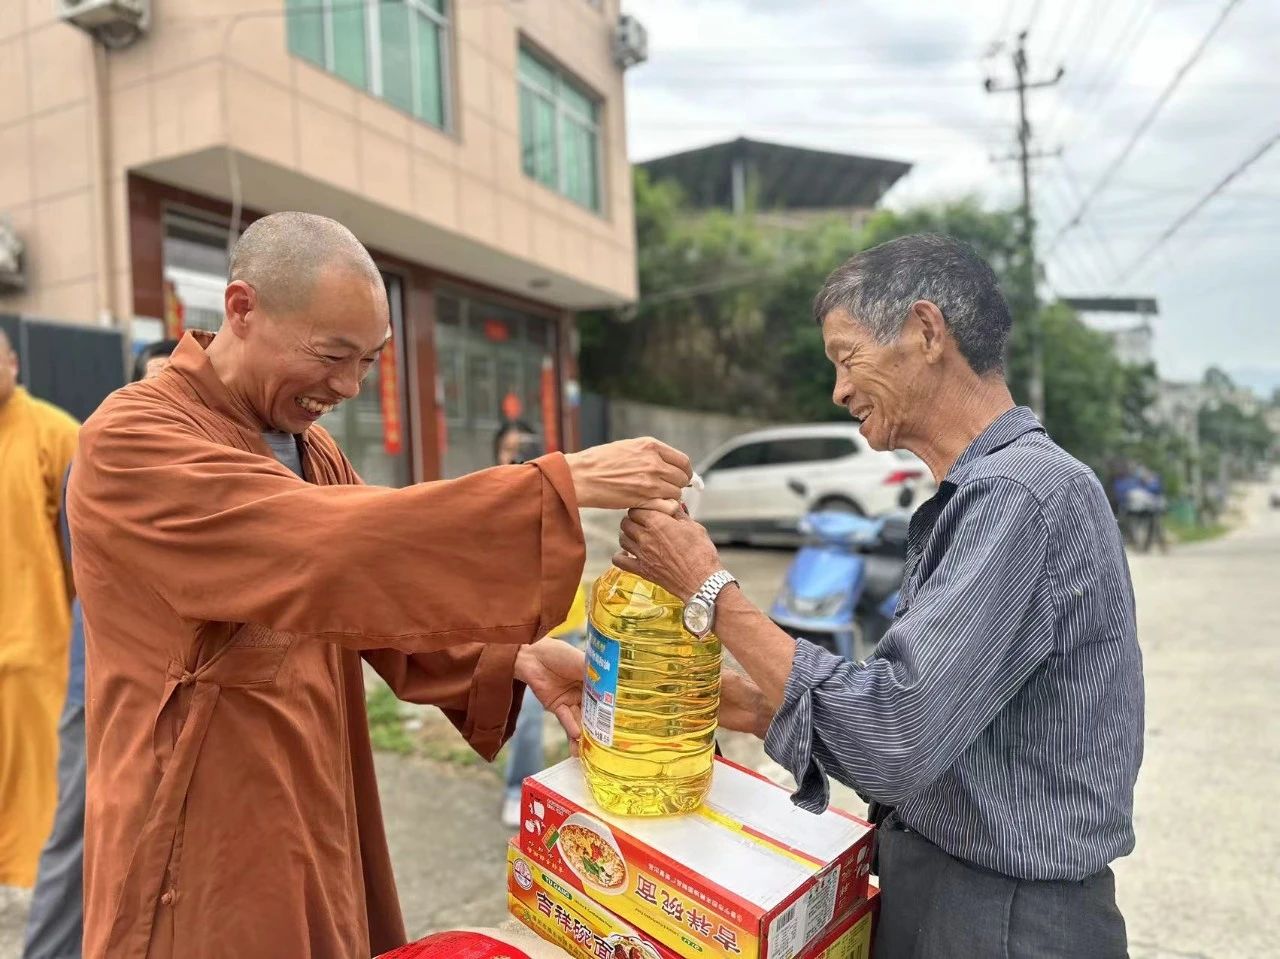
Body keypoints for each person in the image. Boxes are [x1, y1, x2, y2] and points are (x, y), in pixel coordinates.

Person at [66, 212, 692, 958]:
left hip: (320, 796)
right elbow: (321, 545)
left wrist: (511, 658)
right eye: (332, 354)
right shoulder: (135, 439)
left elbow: (379, 579)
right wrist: (558, 485)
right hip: (202, 825)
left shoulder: (312, 448)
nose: (349, 385)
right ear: (241, 308)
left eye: (368, 360)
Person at [615, 234, 1143, 958]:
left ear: (926, 331)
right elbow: (932, 722)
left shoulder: (1021, 495)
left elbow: (891, 736)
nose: (839, 389)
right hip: (954, 895)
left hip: (999, 921)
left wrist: (709, 586)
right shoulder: (991, 492)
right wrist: (743, 701)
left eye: (846, 356)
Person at [21, 339, 179, 959]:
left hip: (179, 680)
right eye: (156, 379)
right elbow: (82, 568)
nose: (170, 392)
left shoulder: (217, 456)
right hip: (104, 669)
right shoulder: (104, 451)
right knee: (81, 823)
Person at [0, 328, 79, 891]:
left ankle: (31, 889)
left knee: (40, 783)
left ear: (12, 362)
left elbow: (89, 552)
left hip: (37, 640)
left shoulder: (57, 433)